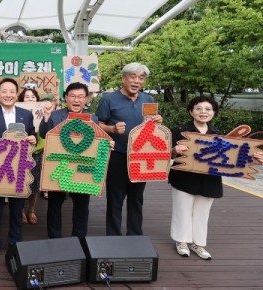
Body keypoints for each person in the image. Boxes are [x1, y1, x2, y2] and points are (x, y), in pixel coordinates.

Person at [169, 96, 263, 259]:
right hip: (183, 178)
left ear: (213, 113)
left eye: (208, 109)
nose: (203, 112)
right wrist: (174, 150)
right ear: (191, 111)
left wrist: (254, 158)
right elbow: (164, 153)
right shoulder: (179, 130)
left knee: (202, 212)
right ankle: (181, 241)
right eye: (198, 108)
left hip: (210, 179)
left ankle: (198, 243)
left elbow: (232, 157)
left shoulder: (219, 135)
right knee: (182, 210)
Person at [95, 62, 163, 236]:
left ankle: (134, 235)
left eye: (141, 78)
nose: (137, 81)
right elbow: (98, 125)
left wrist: (158, 122)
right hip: (117, 155)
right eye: (133, 77)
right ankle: (113, 236)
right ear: (123, 78)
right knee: (115, 198)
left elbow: (152, 127)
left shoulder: (149, 99)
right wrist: (112, 129)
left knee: (137, 198)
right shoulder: (109, 99)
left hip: (141, 157)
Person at [0, 78, 36, 266]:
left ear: (16, 93)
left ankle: (14, 245)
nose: (8, 94)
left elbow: (32, 133)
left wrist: (33, 138)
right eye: (4, 91)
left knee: (17, 211)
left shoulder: (26, 115)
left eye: (11, 91)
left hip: (19, 170)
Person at [40, 82, 111, 238]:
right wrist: (46, 116)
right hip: (59, 166)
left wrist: (107, 143)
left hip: (82, 169)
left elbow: (97, 141)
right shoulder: (55, 115)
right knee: (54, 205)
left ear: (86, 99)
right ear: (66, 97)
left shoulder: (92, 118)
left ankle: (79, 239)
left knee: (81, 206)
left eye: (80, 96)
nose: (76, 100)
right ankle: (54, 238)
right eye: (72, 96)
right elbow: (43, 134)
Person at [17, 87, 42, 225]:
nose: (30, 99)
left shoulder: (43, 114)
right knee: (20, 183)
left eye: (33, 97)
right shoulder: (19, 114)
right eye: (27, 97)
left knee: (35, 184)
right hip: (20, 154)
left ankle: (31, 210)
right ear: (21, 100)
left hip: (37, 153)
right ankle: (20, 210)